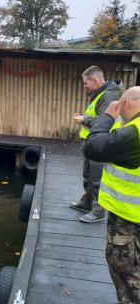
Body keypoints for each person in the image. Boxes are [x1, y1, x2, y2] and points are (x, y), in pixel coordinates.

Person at [83, 86, 140, 303]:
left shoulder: (134, 132)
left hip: (130, 220)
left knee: (126, 272)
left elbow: (93, 147)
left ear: (124, 104)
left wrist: (107, 115)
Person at [70, 66, 124, 223]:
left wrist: (83, 120)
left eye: (86, 83)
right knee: (87, 175)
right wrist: (84, 117)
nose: (85, 86)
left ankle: (99, 211)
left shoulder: (108, 95)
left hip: (101, 144)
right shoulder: (99, 94)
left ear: (96, 80)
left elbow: (103, 122)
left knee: (97, 179)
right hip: (92, 143)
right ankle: (86, 202)